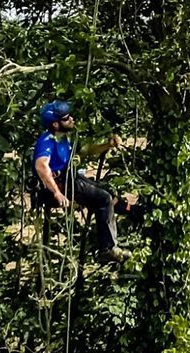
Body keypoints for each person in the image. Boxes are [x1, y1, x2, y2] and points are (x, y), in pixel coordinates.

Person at [32, 100, 139, 264]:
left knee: (110, 193)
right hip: (60, 185)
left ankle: (133, 212)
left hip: (71, 178)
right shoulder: (47, 141)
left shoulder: (64, 139)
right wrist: (57, 193)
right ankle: (108, 248)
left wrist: (106, 145)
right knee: (103, 198)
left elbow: (86, 150)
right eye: (67, 118)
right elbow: (41, 167)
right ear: (55, 123)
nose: (71, 119)